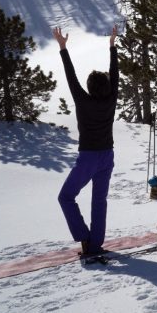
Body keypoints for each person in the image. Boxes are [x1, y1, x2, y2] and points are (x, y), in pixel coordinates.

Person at [54, 25, 119, 256]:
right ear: (109, 87)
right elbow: (116, 74)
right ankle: (95, 244)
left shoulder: (83, 100)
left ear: (89, 88)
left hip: (89, 158)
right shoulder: (112, 99)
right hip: (107, 157)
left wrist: (63, 47)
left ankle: (83, 236)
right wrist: (112, 46)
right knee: (99, 201)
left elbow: (70, 76)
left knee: (65, 197)